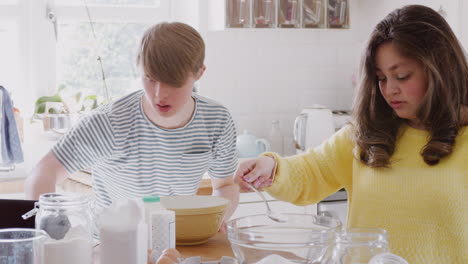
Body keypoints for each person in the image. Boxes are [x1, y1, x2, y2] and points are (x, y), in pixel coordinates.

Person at [234, 5, 467, 264]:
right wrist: (272, 167)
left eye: (402, 76)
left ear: (440, 67)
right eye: (381, 78)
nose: (389, 90)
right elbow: (310, 172)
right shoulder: (364, 136)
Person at [25, 22, 239, 228]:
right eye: (150, 79)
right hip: (110, 243)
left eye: (174, 83)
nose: (159, 95)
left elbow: (225, 186)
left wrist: (216, 220)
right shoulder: (109, 122)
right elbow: (44, 172)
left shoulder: (216, 120)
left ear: (199, 73)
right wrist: (51, 224)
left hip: (177, 240)